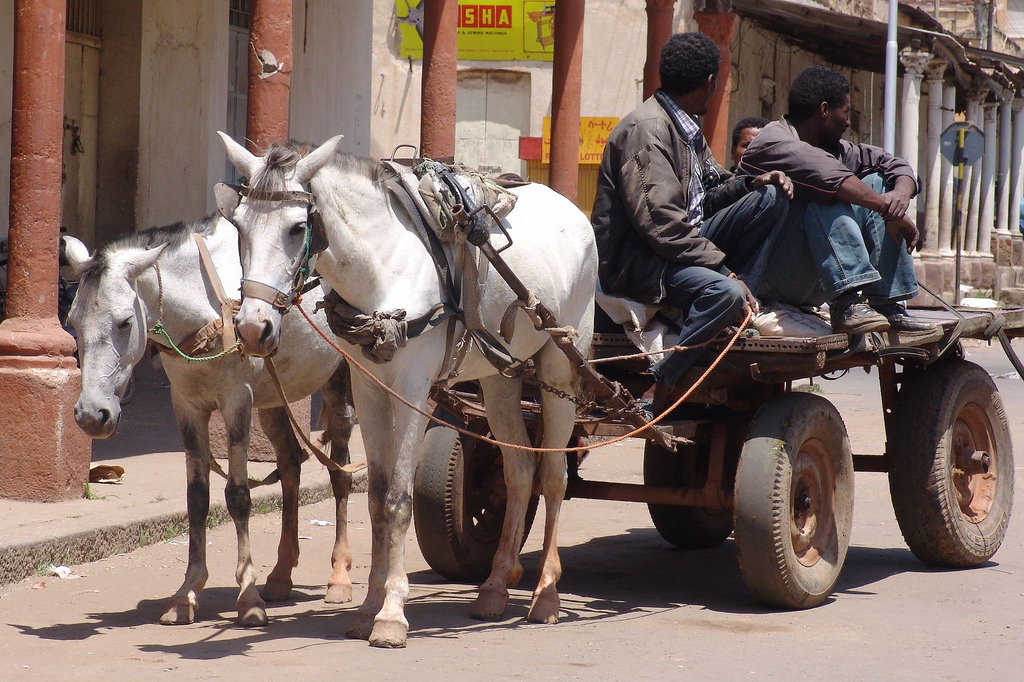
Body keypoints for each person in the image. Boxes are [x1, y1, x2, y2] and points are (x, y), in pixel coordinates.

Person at [591, 32, 793, 389]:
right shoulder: (648, 130)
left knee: (771, 197)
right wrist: (725, 272)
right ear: (710, 81)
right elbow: (662, 226)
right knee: (724, 293)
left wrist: (754, 182)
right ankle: (664, 380)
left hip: (680, 248)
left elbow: (711, 192)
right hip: (641, 262)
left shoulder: (685, 128)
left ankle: (746, 301)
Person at [736, 65, 935, 333]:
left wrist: (898, 197)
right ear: (825, 110)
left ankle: (887, 304)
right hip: (764, 276)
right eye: (846, 113)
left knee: (876, 182)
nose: (849, 122)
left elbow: (892, 164)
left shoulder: (834, 148)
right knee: (824, 194)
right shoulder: (773, 140)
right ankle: (848, 302)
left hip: (805, 278)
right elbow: (830, 177)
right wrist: (893, 214)